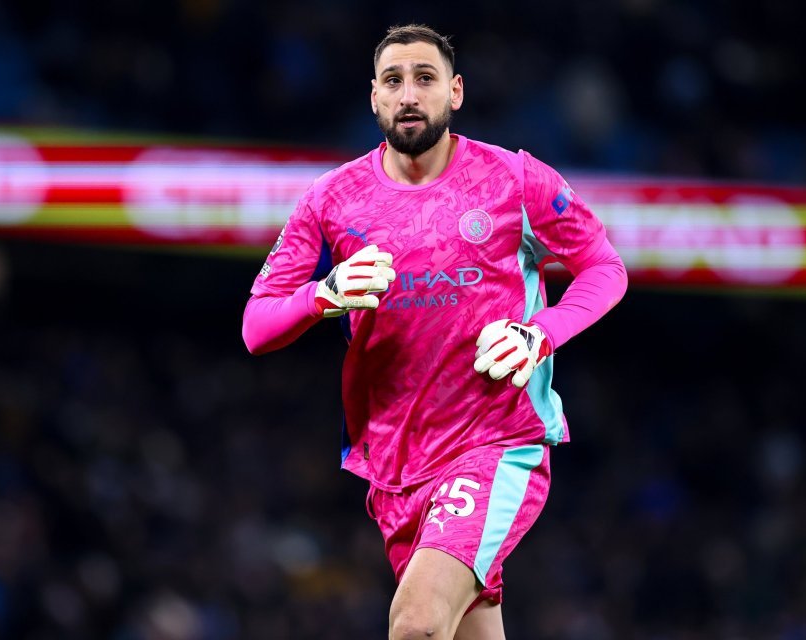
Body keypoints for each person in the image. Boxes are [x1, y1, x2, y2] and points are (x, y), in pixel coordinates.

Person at [242, 24, 628, 640]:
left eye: (425, 79)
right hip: (392, 466)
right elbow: (257, 327)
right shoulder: (330, 200)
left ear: (455, 92)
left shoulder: (516, 180)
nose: (409, 95)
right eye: (393, 81)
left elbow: (604, 268)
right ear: (374, 97)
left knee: (417, 621)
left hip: (497, 441)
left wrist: (539, 334)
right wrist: (325, 294)